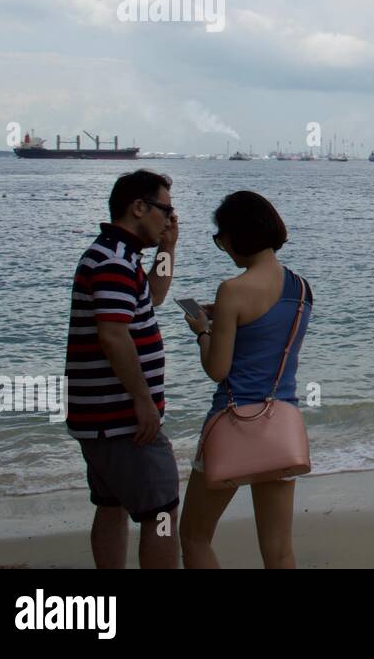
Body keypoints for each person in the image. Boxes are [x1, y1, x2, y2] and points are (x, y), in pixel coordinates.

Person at [178, 191, 312, 569]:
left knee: (195, 536)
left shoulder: (232, 290)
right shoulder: (302, 289)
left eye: (222, 239)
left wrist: (203, 331)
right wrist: (225, 321)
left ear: (238, 236)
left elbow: (218, 369)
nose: (224, 248)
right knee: (279, 550)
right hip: (280, 425)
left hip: (232, 423)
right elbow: (269, 341)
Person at [67, 169, 180, 568]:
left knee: (112, 504)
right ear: (138, 207)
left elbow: (156, 296)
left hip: (102, 418)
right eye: (165, 210)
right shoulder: (115, 260)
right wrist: (143, 400)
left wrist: (168, 248)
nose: (170, 218)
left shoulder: (117, 255)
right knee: (163, 513)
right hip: (122, 419)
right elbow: (113, 335)